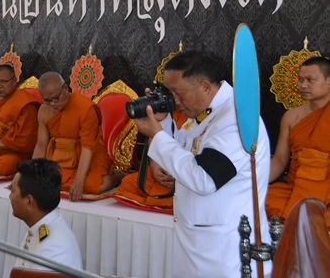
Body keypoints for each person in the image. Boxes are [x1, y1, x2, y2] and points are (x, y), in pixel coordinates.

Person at [134, 51, 271, 277]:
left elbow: (204, 178)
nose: (175, 102)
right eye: (170, 94)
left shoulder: (235, 120)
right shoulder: (208, 113)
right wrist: (164, 122)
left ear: (205, 86)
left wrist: (157, 137)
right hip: (200, 242)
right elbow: (190, 152)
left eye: (178, 94)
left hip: (224, 249)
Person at [266, 56, 330, 228]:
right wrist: (256, 183)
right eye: (300, 80)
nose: (303, 85)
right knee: (261, 198)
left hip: (327, 187)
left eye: (310, 80)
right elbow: (280, 160)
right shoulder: (291, 117)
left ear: (329, 81)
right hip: (296, 186)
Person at [32, 72, 114, 201]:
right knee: (44, 180)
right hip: (61, 155)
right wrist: (28, 173)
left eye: (55, 98)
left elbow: (88, 147)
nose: (52, 104)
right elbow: (41, 144)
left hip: (90, 154)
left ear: (65, 88)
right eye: (46, 100)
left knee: (92, 186)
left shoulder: (85, 108)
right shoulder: (43, 111)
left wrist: (79, 180)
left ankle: (117, 176)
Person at [9, 158, 82, 271]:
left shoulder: (54, 247)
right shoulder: (42, 225)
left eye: (13, 191)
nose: (10, 196)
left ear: (29, 201)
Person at [113, 109, 188, 210]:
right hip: (163, 173)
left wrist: (181, 180)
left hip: (187, 178)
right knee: (128, 183)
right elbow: (154, 138)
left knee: (193, 197)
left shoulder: (201, 116)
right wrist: (155, 166)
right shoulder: (168, 111)